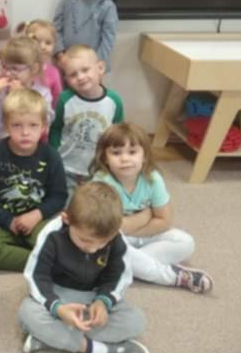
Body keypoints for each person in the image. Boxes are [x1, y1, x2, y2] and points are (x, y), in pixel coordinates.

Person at [19, 182, 151, 353]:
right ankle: (99, 350)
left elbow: (119, 276)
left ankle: (52, 338)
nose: (93, 249)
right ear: (66, 219)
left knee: (136, 321)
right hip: (58, 294)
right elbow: (36, 276)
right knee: (27, 313)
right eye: (85, 240)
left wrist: (103, 301)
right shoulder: (52, 234)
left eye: (102, 243)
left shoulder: (116, 237)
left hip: (93, 297)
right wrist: (57, 308)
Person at [91, 122, 213, 293]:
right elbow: (109, 229)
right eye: (116, 153)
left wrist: (130, 228)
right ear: (105, 157)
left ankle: (127, 266)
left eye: (132, 152)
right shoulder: (101, 182)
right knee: (105, 245)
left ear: (144, 156)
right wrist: (145, 216)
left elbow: (164, 221)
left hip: (143, 234)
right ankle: (172, 276)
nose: (125, 158)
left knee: (186, 242)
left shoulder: (153, 179)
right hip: (115, 239)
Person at [0, 88, 68, 271]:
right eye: (17, 125)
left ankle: (46, 256)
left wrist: (36, 215)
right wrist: (8, 220)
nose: (25, 132)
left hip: (38, 219)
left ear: (44, 126)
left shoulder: (51, 156)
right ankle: (40, 262)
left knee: (62, 245)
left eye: (33, 125)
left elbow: (59, 196)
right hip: (0, 221)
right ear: (6, 126)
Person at [49, 44, 124, 196]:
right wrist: (55, 153)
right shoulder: (64, 99)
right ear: (66, 80)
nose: (80, 77)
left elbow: (118, 133)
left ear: (100, 68)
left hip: (98, 168)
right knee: (66, 203)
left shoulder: (114, 101)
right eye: (73, 74)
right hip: (66, 166)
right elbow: (56, 128)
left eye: (85, 70)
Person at [0, 36, 54, 150]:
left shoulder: (43, 94)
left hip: (23, 151)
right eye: (4, 67)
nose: (8, 73)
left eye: (15, 69)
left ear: (34, 69)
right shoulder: (0, 90)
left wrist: (19, 96)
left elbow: (43, 125)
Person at [17, 19, 63, 108]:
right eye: (37, 42)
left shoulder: (54, 72)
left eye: (48, 43)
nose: (43, 47)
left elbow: (57, 100)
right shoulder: (20, 68)